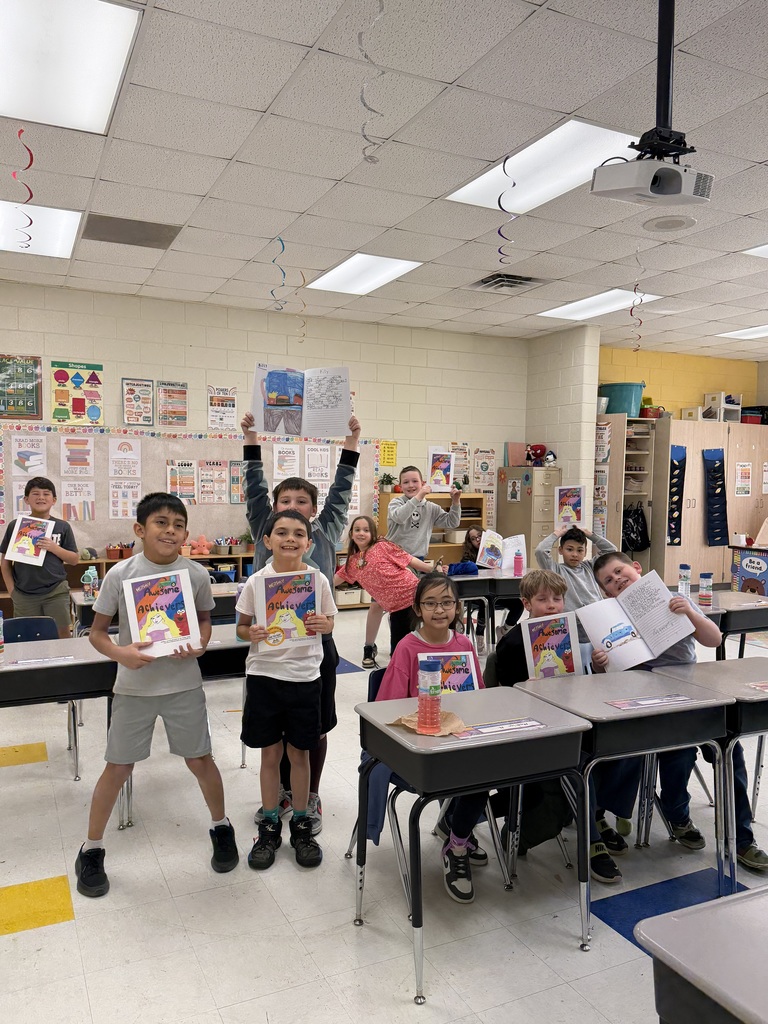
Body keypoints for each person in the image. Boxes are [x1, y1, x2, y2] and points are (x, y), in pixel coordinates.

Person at [74, 493, 238, 898]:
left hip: (183, 684)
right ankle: (91, 849)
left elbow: (203, 622)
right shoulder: (121, 575)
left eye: (178, 525)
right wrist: (120, 653)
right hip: (134, 688)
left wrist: (200, 643)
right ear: (140, 530)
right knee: (118, 767)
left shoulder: (196, 575)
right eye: (161, 523)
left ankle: (221, 827)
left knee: (200, 759)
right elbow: (95, 633)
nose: (170, 531)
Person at [592, 551, 768, 873]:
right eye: (609, 581)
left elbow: (714, 639)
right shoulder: (609, 618)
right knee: (678, 752)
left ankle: (741, 838)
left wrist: (690, 613)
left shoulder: (673, 599)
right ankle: (676, 813)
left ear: (636, 569)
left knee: (731, 749)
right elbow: (609, 680)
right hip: (644, 703)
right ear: (606, 592)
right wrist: (600, 663)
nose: (617, 580)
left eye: (619, 572)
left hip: (692, 695)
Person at [241, 410, 360, 835]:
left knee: (313, 729)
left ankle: (308, 796)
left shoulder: (324, 533)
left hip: (315, 652)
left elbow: (341, 490)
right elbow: (254, 489)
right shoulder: (264, 531)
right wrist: (252, 438)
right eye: (284, 503)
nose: (292, 511)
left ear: (313, 514)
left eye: (302, 503)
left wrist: (351, 443)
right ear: (272, 516)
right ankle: (279, 796)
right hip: (271, 654)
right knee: (273, 733)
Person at [496, 568, 637, 884]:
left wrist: (600, 668)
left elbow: (585, 684)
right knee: (578, 765)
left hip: (577, 717)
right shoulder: (512, 643)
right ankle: (591, 842)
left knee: (625, 748)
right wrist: (524, 687)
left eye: (557, 599)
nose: (552, 606)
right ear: (526, 603)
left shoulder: (571, 634)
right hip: (538, 730)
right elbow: (502, 699)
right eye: (543, 600)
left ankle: (598, 814)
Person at [377, 573, 488, 903]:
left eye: (447, 602)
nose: (439, 610)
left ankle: (455, 829)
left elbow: (479, 696)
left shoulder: (464, 644)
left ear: (457, 607)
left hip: (458, 737)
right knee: (474, 777)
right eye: (430, 603)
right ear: (417, 608)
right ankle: (457, 843)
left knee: (491, 768)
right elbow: (388, 708)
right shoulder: (407, 647)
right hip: (422, 744)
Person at [237, 509, 337, 870]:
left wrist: (323, 623)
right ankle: (268, 824)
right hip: (264, 675)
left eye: (298, 533)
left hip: (305, 678)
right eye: (281, 532)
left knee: (300, 754)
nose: (290, 539)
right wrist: (252, 633)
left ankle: (300, 822)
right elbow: (241, 628)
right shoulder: (256, 583)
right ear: (267, 541)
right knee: (269, 755)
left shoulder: (317, 581)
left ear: (308, 543)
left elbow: (329, 621)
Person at [362, 465, 462, 669]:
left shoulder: (431, 507)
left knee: (410, 609)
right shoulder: (395, 503)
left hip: (416, 562)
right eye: (405, 482)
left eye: (415, 481)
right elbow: (400, 517)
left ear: (422, 482)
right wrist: (418, 497)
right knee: (377, 605)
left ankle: (407, 647)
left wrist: (455, 501)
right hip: (390, 562)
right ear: (400, 485)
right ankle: (368, 646)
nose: (410, 485)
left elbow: (452, 522)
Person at [334, 515, 441, 658]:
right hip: (397, 609)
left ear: (373, 534)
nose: (361, 533)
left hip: (414, 597)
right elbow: (332, 581)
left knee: (408, 648)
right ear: (351, 534)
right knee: (398, 651)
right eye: (357, 530)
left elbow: (408, 559)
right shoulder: (352, 563)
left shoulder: (382, 546)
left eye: (366, 530)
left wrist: (432, 570)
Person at [0, 476, 80, 638]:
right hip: (24, 593)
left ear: (54, 500)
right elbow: (5, 563)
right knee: (26, 636)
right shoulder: (16, 525)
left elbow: (74, 559)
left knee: (62, 635)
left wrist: (54, 548)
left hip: (56, 592)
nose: (41, 497)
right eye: (35, 494)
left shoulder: (62, 526)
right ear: (26, 499)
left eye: (46, 494)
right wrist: (13, 591)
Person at [535, 524, 617, 668]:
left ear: (585, 552)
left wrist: (589, 534)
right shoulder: (556, 570)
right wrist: (556, 534)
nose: (574, 554)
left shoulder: (590, 566)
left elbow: (611, 550)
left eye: (580, 550)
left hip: (596, 622)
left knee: (600, 661)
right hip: (571, 624)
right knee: (574, 661)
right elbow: (540, 551)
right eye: (569, 549)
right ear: (560, 550)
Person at [460, 526, 523, 653]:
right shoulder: (468, 557)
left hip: (497, 592)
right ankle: (480, 635)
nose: (477, 540)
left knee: (518, 604)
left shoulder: (499, 551)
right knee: (487, 601)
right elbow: (465, 570)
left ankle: (504, 630)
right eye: (473, 539)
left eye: (479, 536)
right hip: (479, 594)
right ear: (470, 543)